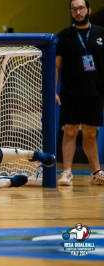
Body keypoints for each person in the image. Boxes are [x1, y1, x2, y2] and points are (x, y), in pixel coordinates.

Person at [56, 0, 104, 186]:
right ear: (71, 12)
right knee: (70, 130)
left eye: (81, 8)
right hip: (70, 92)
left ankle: (95, 172)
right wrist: (54, 90)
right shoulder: (64, 35)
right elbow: (57, 65)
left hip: (95, 92)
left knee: (91, 133)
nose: (78, 12)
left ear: (89, 10)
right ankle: (67, 172)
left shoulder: (101, 34)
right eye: (74, 9)